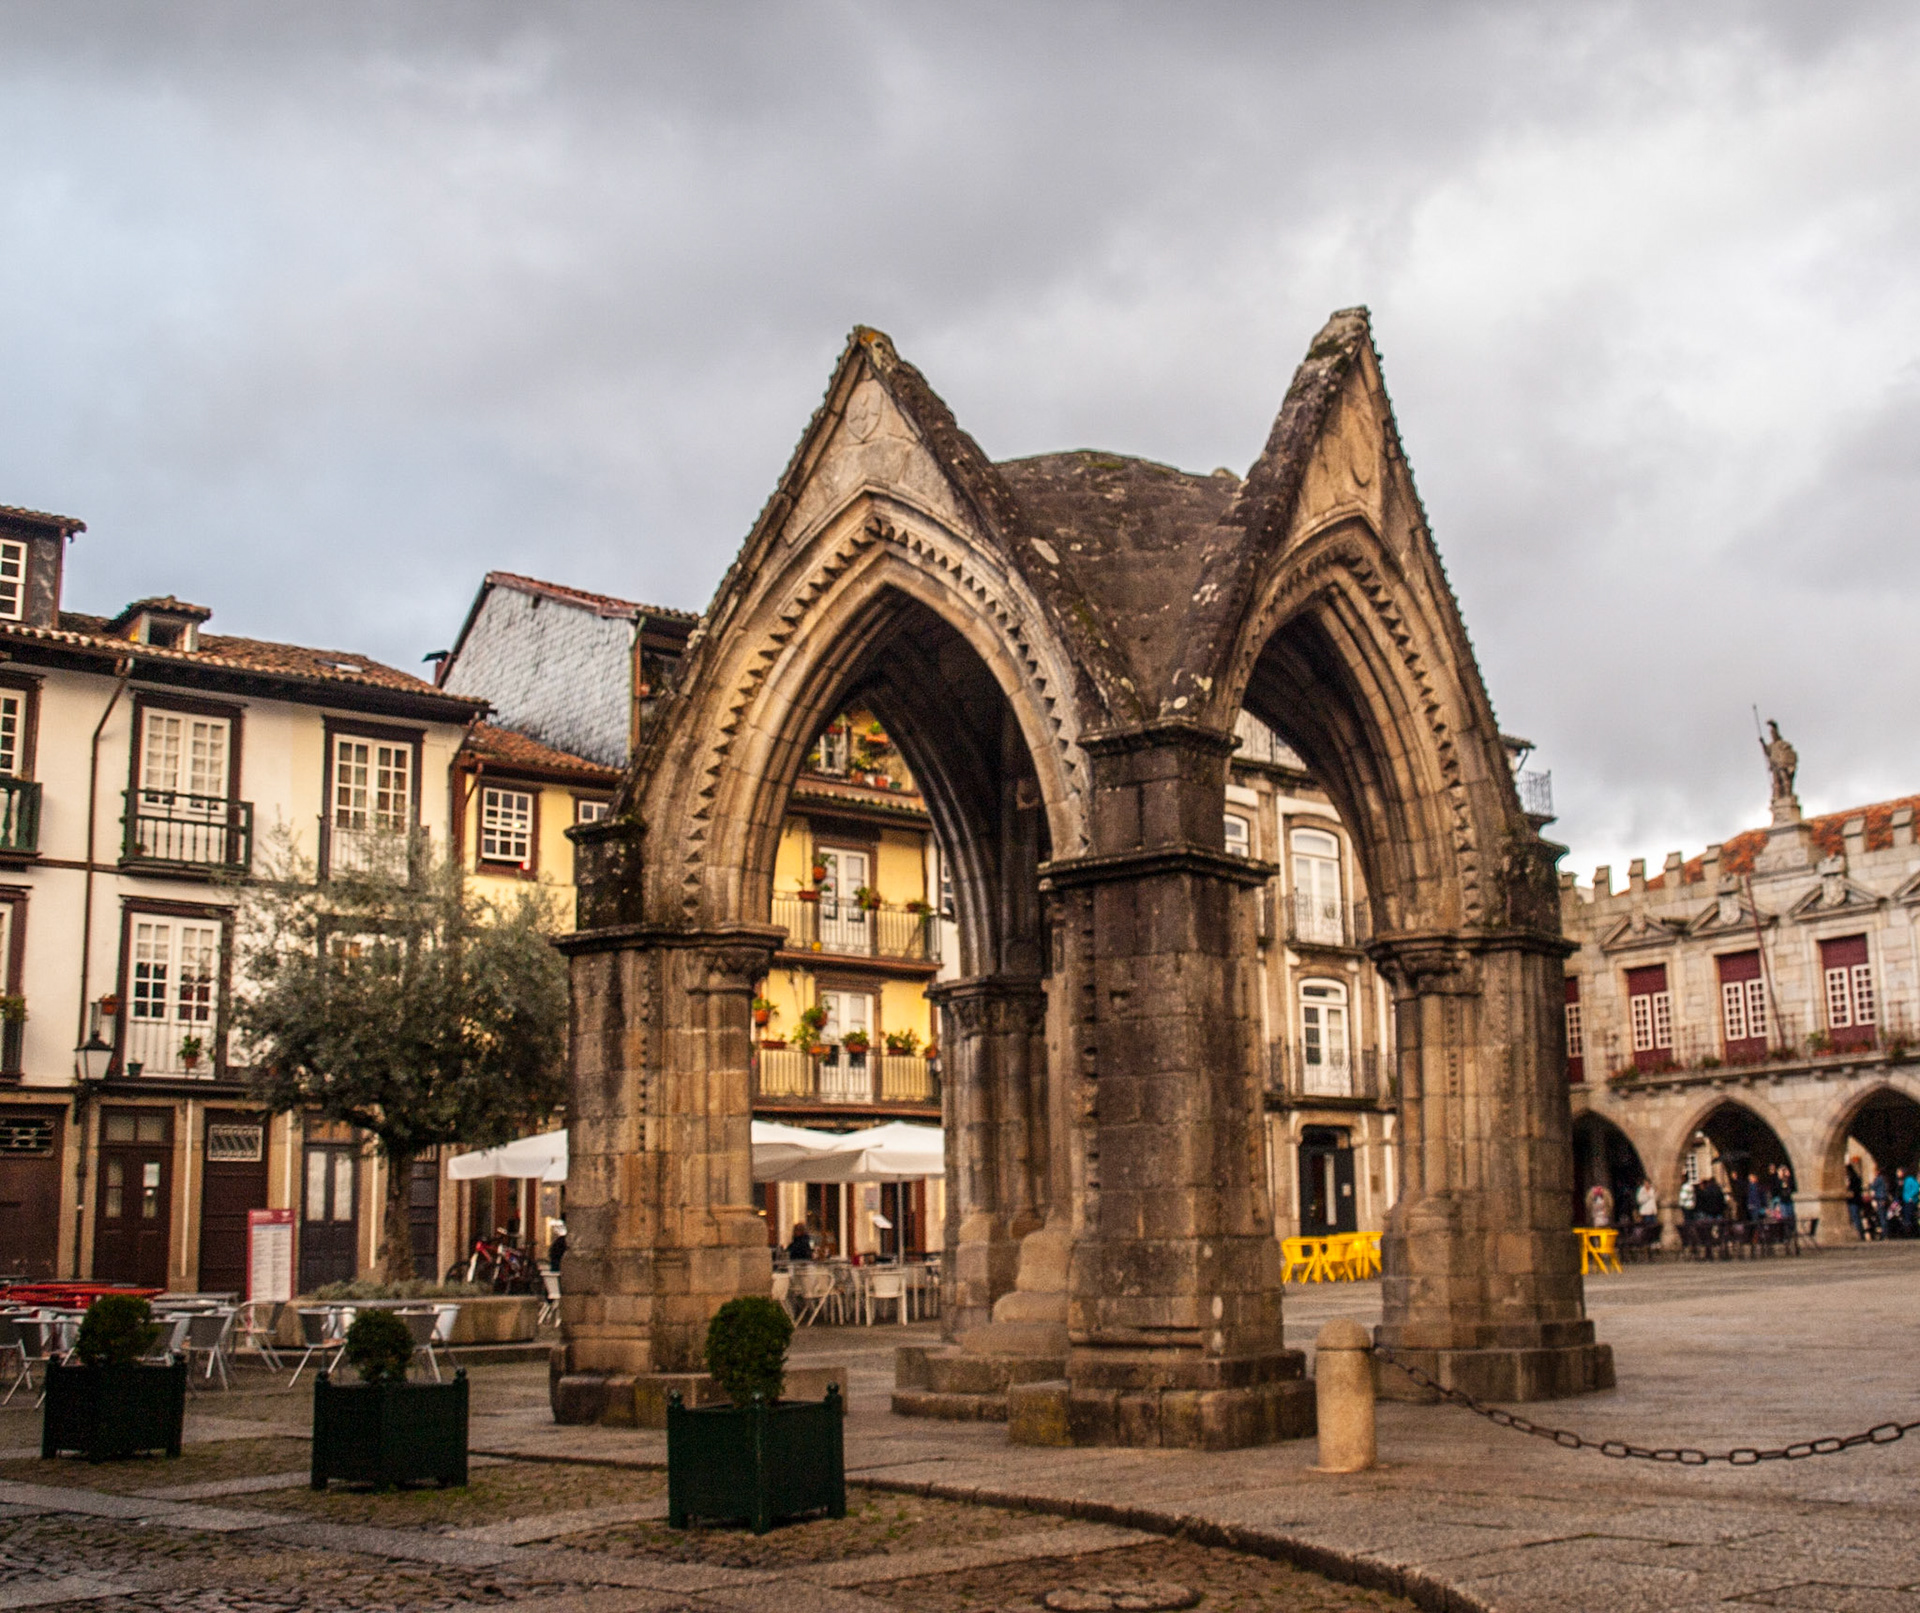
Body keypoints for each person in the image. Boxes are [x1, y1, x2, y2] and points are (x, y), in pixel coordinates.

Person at [1846, 1156, 1866, 1238]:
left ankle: (1860, 1233)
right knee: (1856, 1217)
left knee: (1856, 1217)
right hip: (1856, 1200)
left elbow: (1854, 1191)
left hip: (1854, 1201)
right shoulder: (1856, 1178)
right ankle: (1860, 1233)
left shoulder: (1853, 1179)